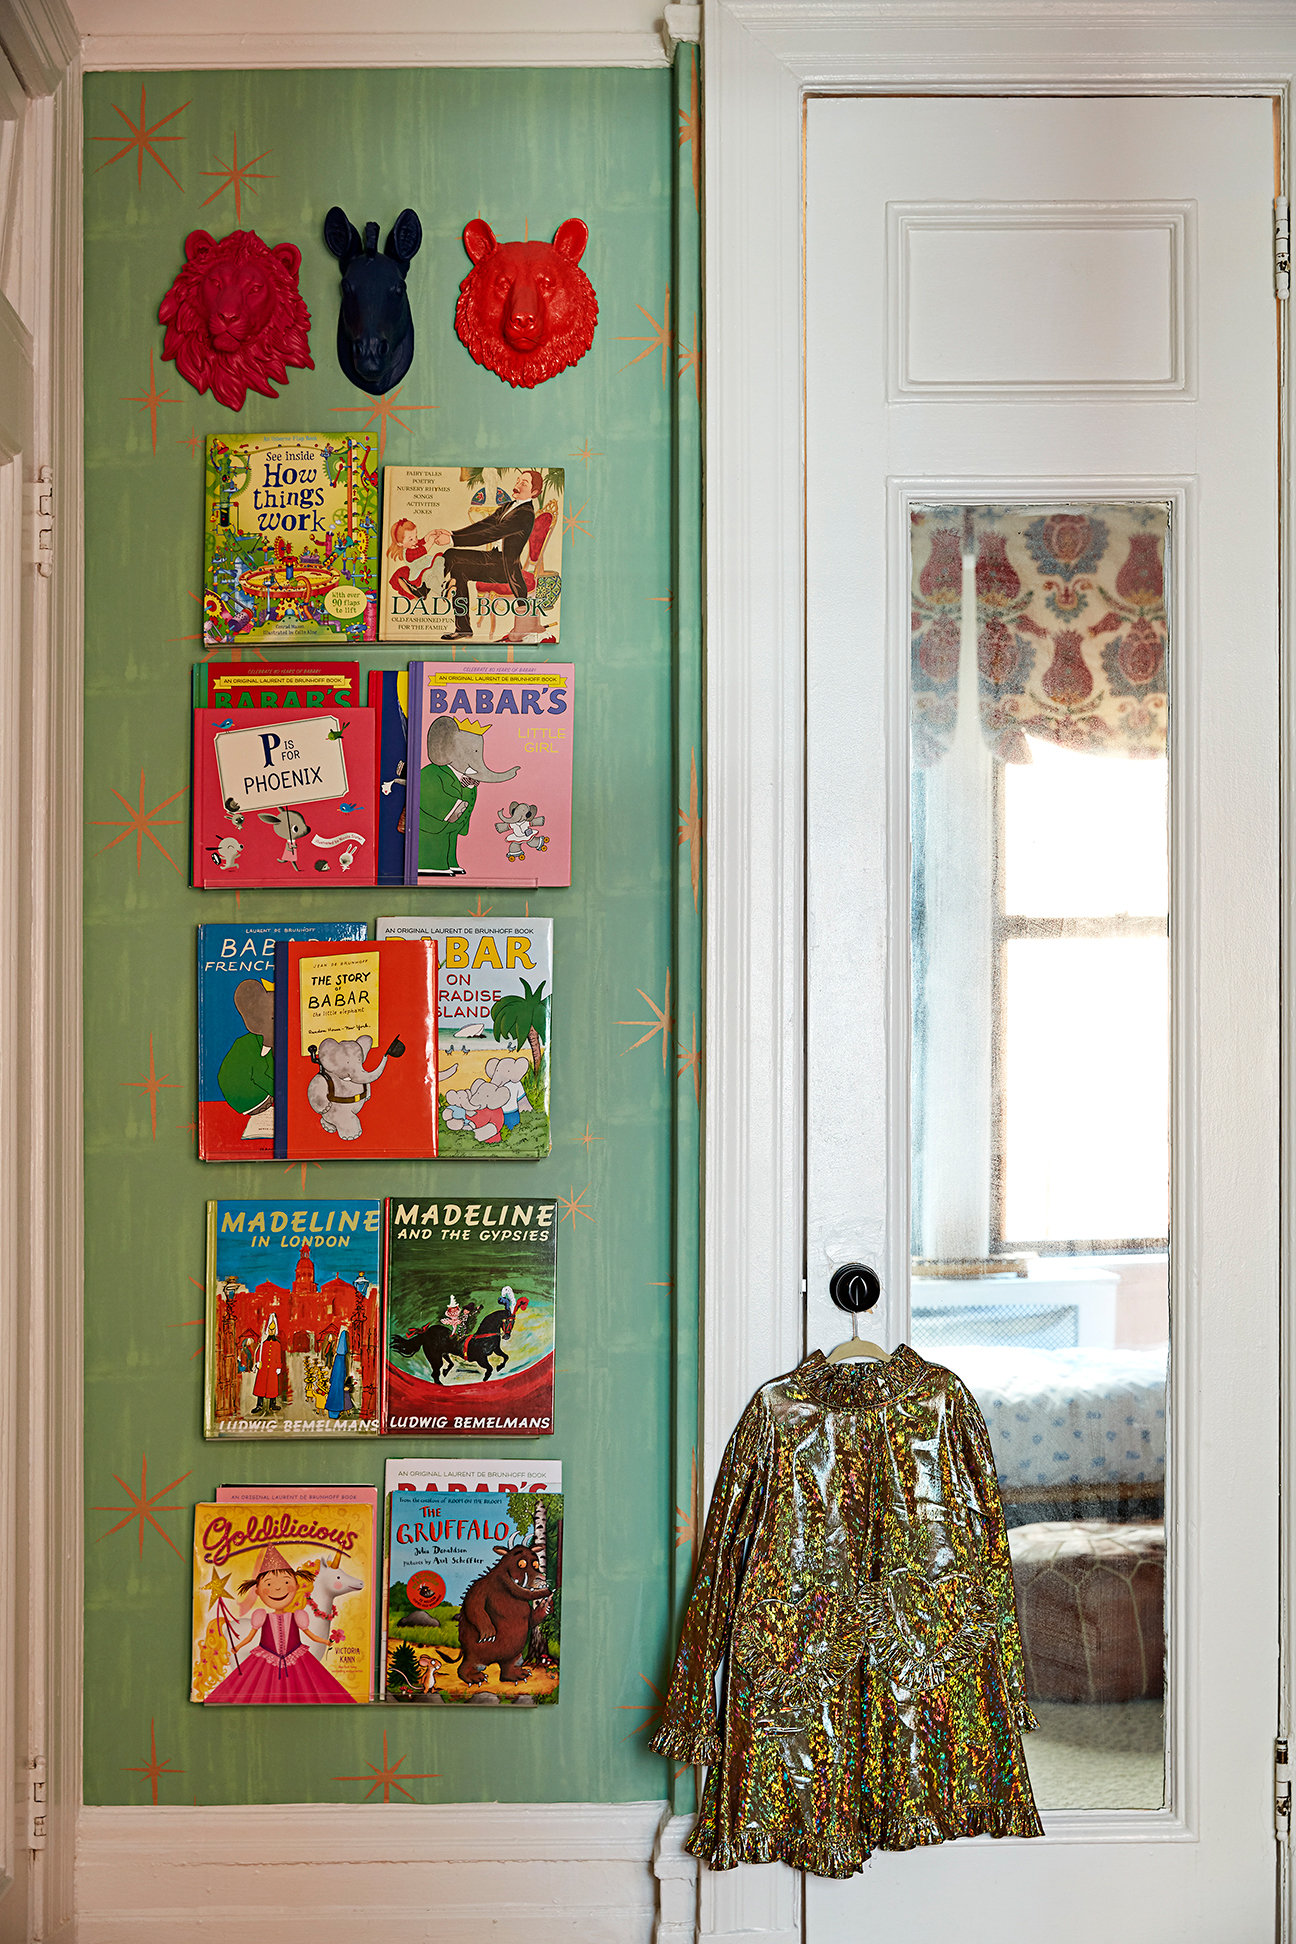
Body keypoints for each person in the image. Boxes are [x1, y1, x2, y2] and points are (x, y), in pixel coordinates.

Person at [205, 1545, 355, 1704]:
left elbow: (309, 1634)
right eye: (268, 1584)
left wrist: (323, 1641)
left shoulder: (298, 1615)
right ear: (258, 1591)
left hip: (294, 1656)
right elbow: (250, 1636)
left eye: (286, 1582)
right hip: (267, 1657)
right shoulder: (261, 1616)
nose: (278, 1588)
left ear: (296, 1587)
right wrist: (239, 1646)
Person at [430, 470, 541, 643]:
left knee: (452, 554)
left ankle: (424, 589)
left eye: (523, 484)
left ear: (534, 492)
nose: (517, 485)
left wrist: (452, 540)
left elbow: (490, 534)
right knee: (457, 565)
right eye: (518, 480)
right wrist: (452, 533)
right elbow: (483, 525)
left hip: (505, 568)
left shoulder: (524, 514)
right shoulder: (508, 506)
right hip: (494, 558)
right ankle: (463, 628)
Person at [386, 516, 441, 606]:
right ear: (401, 543)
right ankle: (435, 591)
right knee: (429, 575)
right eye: (411, 539)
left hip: (424, 566)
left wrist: (430, 535)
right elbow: (422, 550)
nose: (415, 540)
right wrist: (431, 541)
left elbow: (421, 541)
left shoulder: (413, 543)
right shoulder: (408, 552)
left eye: (415, 536)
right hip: (418, 573)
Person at [251, 1312, 285, 1415]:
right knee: (260, 1386)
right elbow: (258, 1353)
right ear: (267, 1330)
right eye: (270, 1329)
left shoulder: (277, 1344)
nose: (271, 1331)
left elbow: (278, 1356)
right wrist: (257, 1363)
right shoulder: (264, 1343)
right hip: (263, 1368)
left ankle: (272, 1404)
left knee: (272, 1387)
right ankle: (259, 1404)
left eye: (273, 1329)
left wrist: (278, 1366)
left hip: (273, 1368)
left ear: (275, 1331)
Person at [326, 1323, 351, 1419]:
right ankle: (335, 1412)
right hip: (339, 1382)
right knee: (337, 1398)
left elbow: (334, 1372)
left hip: (336, 1382)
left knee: (334, 1397)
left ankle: (333, 1413)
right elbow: (343, 1373)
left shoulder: (338, 1358)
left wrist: (331, 1380)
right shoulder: (343, 1358)